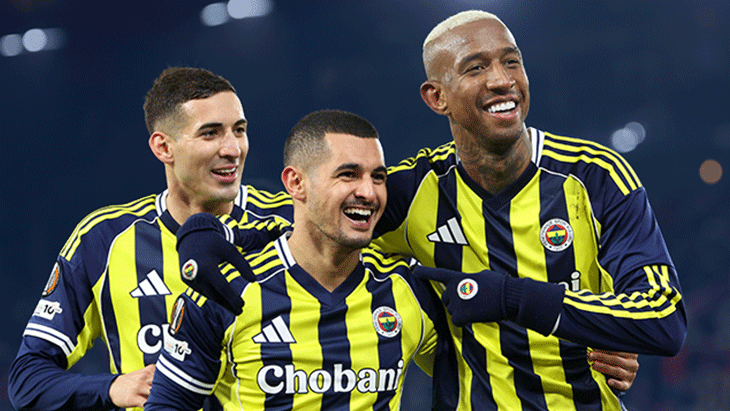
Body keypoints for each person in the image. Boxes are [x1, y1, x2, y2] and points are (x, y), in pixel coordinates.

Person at [366, 9, 686, 410]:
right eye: (476, 67)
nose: (502, 80)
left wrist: (512, 298)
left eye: (511, 62)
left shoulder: (594, 176)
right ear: (437, 97)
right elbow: (310, 228)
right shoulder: (409, 192)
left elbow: (663, 318)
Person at [7, 67, 292, 411]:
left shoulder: (290, 221)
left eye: (239, 130)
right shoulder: (103, 240)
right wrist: (113, 387)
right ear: (163, 147)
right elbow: (27, 379)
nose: (233, 149)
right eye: (210, 134)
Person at [144, 109, 456, 410]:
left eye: (378, 177)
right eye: (348, 175)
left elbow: (468, 377)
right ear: (296, 183)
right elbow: (169, 404)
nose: (368, 192)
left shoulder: (409, 290)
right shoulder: (226, 287)